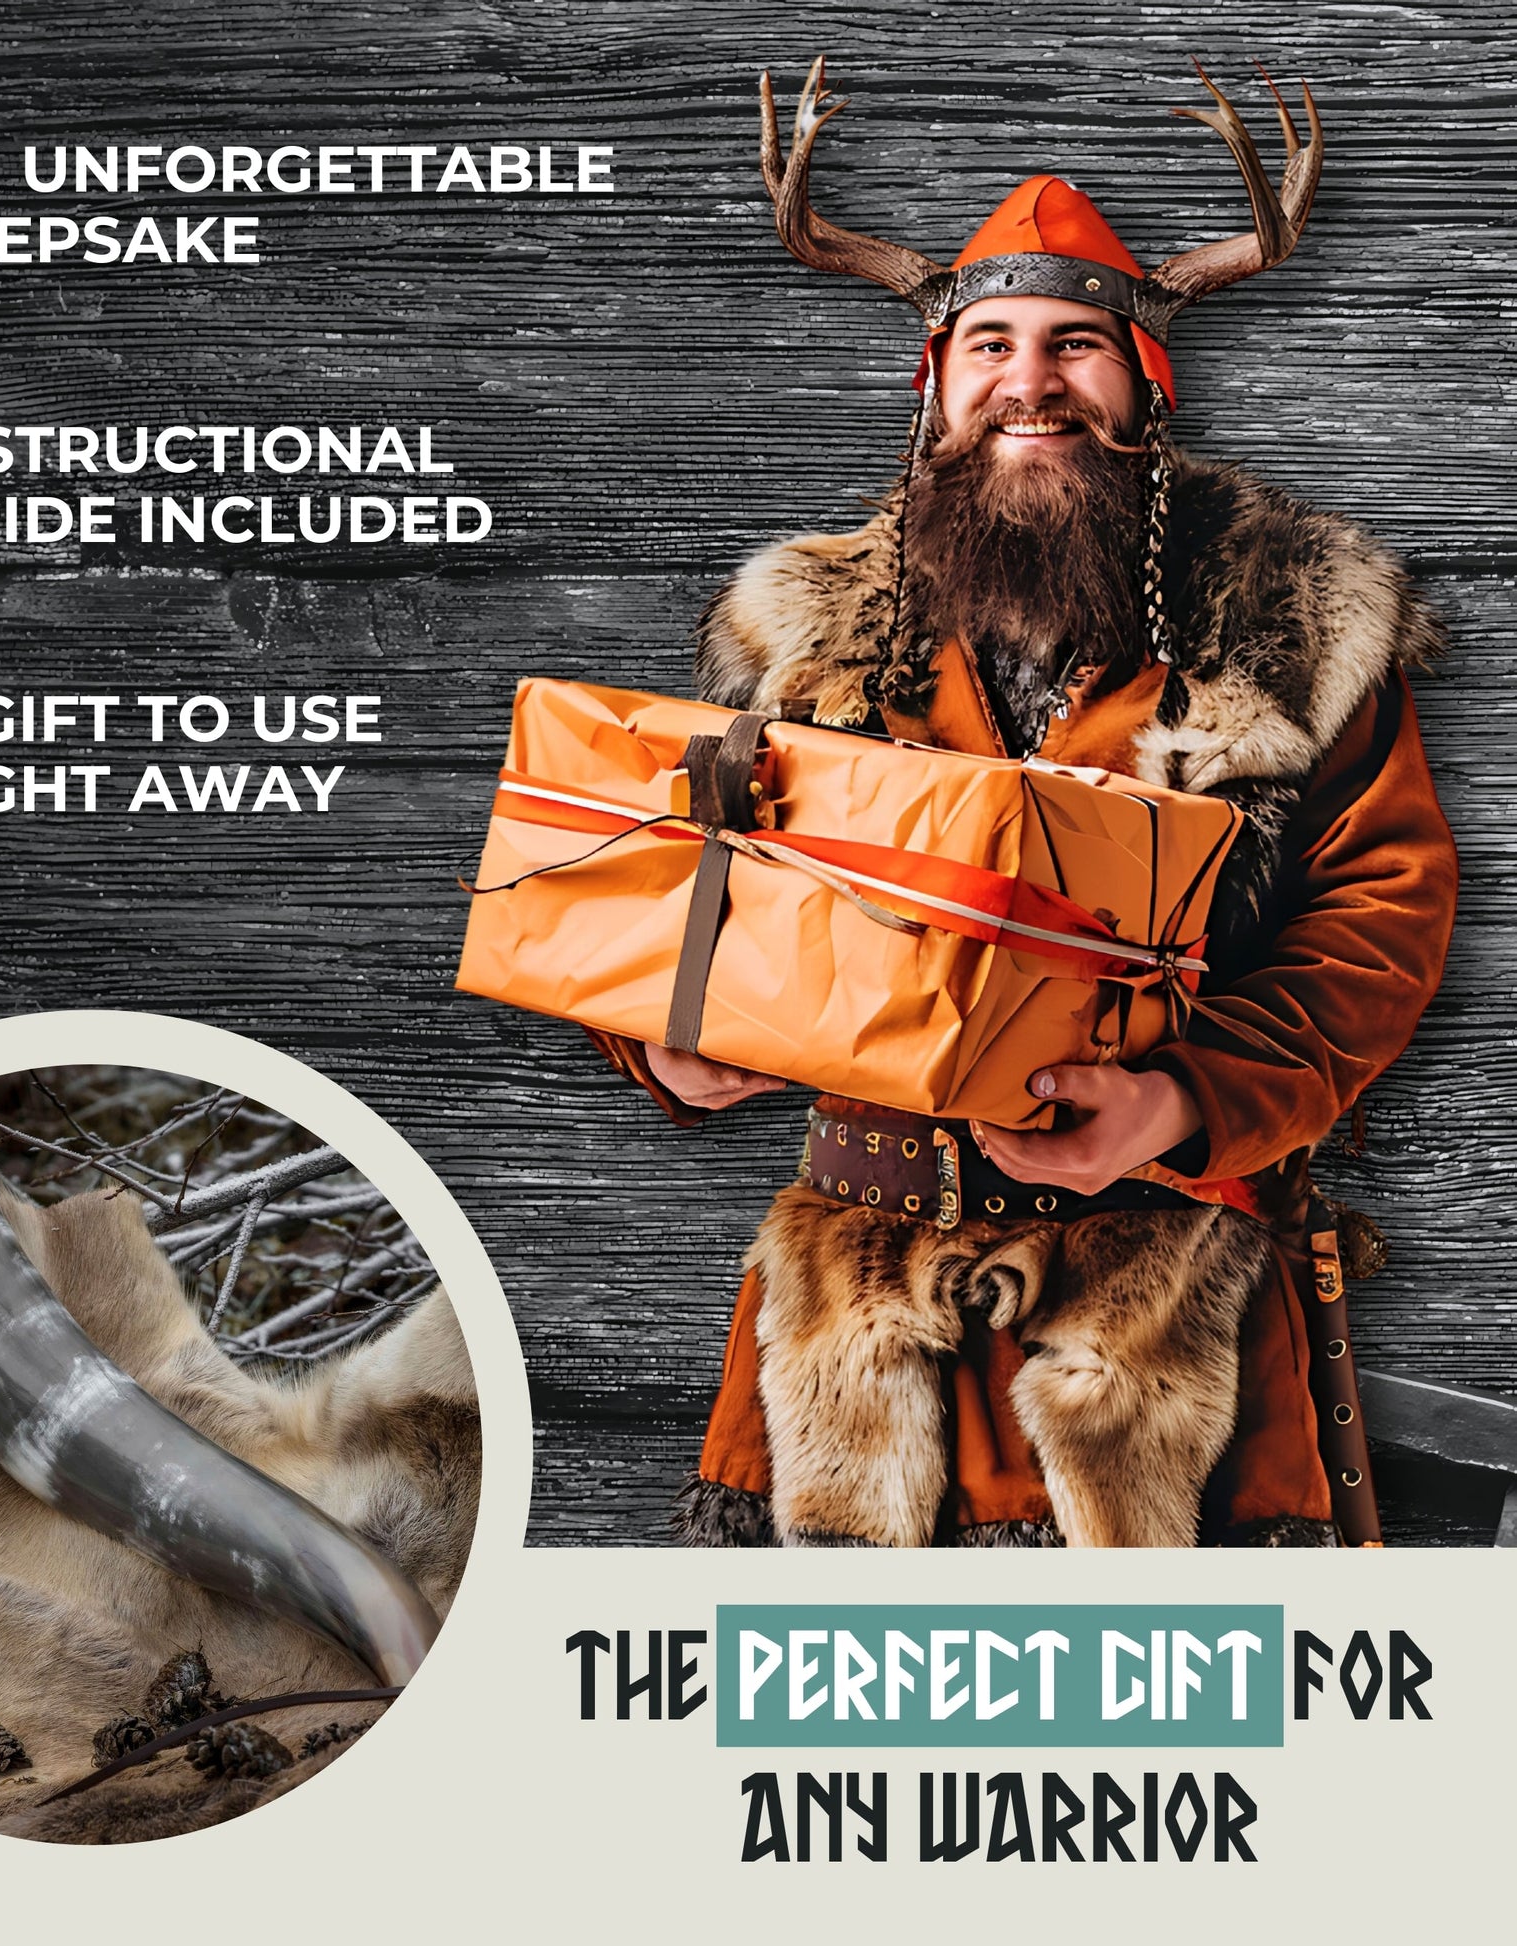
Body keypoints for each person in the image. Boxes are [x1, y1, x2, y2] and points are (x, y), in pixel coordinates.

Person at [591, 61, 1457, 1547]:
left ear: (1144, 386)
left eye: (1076, 345)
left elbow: (1380, 923)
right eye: (989, 344)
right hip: (848, 1316)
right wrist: (668, 1039)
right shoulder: (807, 645)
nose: (1030, 382)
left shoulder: (1293, 634)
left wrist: (1182, 1100)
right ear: (936, 389)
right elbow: (684, 887)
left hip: (1171, 1308)